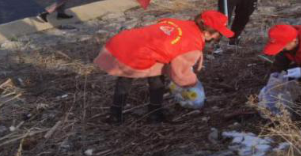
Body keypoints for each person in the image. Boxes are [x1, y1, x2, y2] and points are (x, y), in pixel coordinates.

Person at [94, 10, 234, 123]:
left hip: (124, 41)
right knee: (154, 79)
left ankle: (116, 115)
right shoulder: (191, 45)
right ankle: (155, 114)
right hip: (137, 52)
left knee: (127, 79)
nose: (217, 37)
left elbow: (163, 28)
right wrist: (195, 86)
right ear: (208, 32)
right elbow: (180, 74)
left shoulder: (184, 24)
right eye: (218, 34)